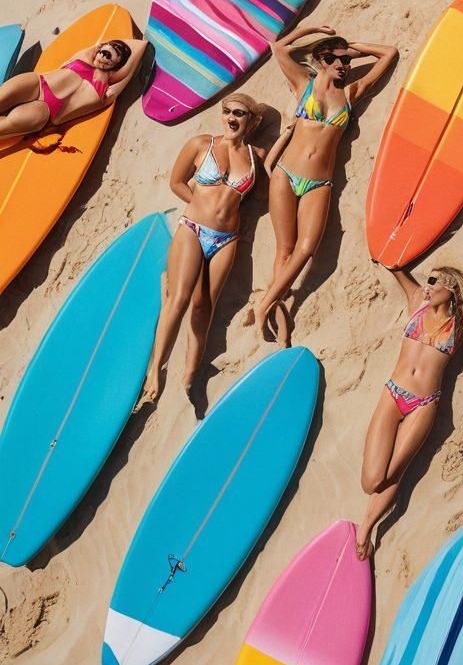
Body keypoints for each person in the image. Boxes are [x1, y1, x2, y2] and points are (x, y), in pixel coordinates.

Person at [358, 236, 463, 559]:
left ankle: (366, 530)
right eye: (427, 281)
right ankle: (369, 517)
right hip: (392, 395)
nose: (427, 287)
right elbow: (392, 263)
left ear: (451, 287)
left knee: (395, 473)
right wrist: (385, 241)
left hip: (423, 404)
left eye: (434, 281)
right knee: (371, 481)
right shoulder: (417, 301)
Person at [257, 25, 397, 345]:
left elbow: (388, 53)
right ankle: (281, 326)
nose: (344, 65)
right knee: (284, 249)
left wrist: (354, 47)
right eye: (337, 59)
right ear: (322, 59)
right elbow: (279, 48)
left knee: (307, 248)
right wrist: (315, 29)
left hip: (319, 182)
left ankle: (264, 304)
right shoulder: (302, 83)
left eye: (347, 61)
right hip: (285, 174)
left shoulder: (351, 93)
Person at [139, 93, 267, 406]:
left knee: (203, 306)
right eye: (227, 112)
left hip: (226, 239)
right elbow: (176, 182)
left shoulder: (256, 156)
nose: (231, 118)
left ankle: (190, 373)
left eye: (239, 114)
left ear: (251, 121)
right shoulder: (201, 144)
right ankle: (155, 370)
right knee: (179, 299)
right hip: (193, 229)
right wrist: (198, 204)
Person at [0, 37, 148, 142]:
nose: (103, 57)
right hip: (37, 83)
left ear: (117, 65)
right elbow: (103, 45)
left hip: (47, 112)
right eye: (103, 52)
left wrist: (121, 58)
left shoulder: (107, 91)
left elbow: (138, 50)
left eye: (109, 57)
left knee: (4, 127)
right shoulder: (84, 58)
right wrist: (104, 47)